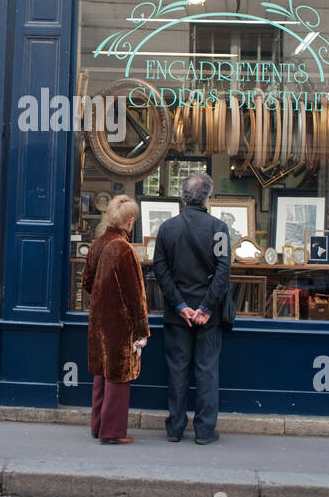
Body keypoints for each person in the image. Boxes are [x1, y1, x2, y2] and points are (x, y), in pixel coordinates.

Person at [151, 173, 233, 444]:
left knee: (177, 370)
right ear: (207, 197)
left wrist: (181, 306)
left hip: (178, 315)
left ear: (182, 195)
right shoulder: (219, 228)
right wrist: (207, 307)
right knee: (207, 370)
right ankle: (205, 430)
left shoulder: (167, 228)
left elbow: (160, 271)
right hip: (208, 316)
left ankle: (175, 428)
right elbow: (223, 271)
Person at [81, 195, 150, 445]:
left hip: (98, 320)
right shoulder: (124, 249)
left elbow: (87, 282)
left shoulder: (97, 243)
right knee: (119, 376)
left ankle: (97, 425)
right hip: (120, 324)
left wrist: (103, 297)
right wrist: (142, 331)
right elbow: (135, 296)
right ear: (130, 221)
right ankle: (112, 432)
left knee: (101, 372)